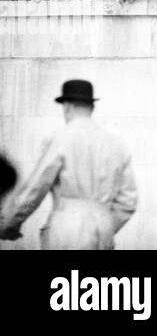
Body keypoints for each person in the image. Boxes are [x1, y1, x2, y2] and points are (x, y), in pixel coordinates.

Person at [0, 79, 138, 249]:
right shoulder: (117, 144)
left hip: (67, 228)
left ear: (67, 107)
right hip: (104, 229)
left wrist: (10, 223)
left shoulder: (61, 138)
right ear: (92, 108)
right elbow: (128, 201)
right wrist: (106, 225)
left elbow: (36, 187)